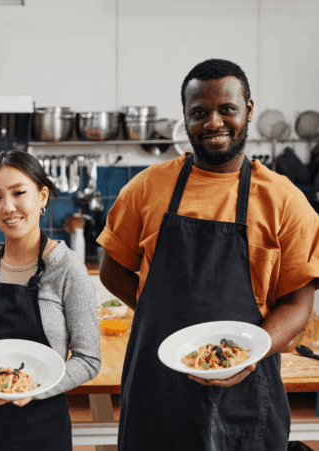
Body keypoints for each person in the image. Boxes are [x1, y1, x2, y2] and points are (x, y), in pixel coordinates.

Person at [97, 58, 319, 450]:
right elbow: (111, 271)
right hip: (157, 386)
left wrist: (247, 354)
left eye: (227, 109)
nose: (213, 123)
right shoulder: (146, 188)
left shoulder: (285, 201)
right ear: (185, 116)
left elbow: (298, 303)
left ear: (248, 110)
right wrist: (160, 318)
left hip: (246, 391)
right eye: (199, 112)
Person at [0, 150, 101, 451]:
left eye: (19, 193)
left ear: (42, 196)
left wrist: (34, 389)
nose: (8, 207)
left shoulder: (68, 268)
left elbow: (88, 360)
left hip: (41, 426)